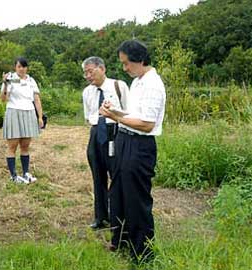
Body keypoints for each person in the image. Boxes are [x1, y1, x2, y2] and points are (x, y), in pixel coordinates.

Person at [100, 40, 166, 262]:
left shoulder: (153, 85)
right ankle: (121, 242)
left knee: (136, 200)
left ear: (139, 60)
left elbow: (147, 124)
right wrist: (116, 111)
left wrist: (115, 116)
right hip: (124, 140)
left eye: (127, 63)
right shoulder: (138, 82)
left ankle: (142, 254)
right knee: (118, 193)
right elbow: (133, 115)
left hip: (140, 146)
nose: (124, 68)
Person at [82, 56, 129, 230]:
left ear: (102, 68)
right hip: (96, 133)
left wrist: (114, 113)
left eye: (91, 71)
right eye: (85, 72)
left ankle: (118, 217)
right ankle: (100, 216)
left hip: (115, 132)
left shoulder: (119, 86)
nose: (88, 75)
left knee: (116, 175)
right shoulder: (87, 92)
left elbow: (128, 111)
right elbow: (88, 117)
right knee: (98, 176)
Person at [0, 57, 43, 184]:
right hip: (13, 111)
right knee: (12, 145)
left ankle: (25, 173)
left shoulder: (31, 80)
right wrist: (5, 84)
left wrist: (40, 117)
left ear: (26, 68)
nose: (22, 69)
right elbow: (3, 99)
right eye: (19, 67)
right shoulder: (9, 79)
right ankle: (13, 176)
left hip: (29, 112)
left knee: (25, 145)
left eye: (24, 67)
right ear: (15, 67)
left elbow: (36, 99)